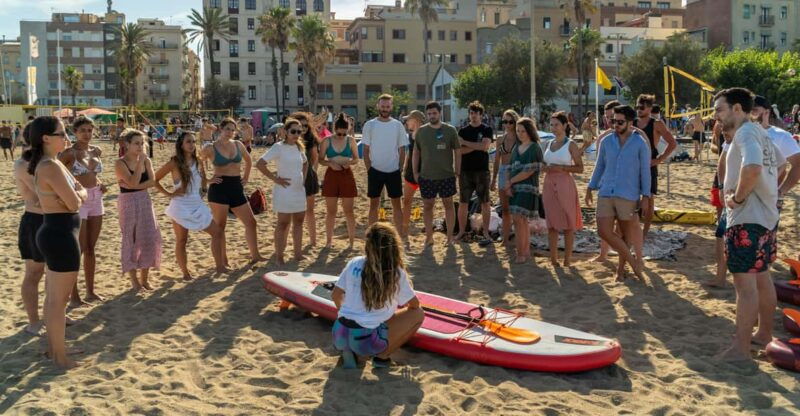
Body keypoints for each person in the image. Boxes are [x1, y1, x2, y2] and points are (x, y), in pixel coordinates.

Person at [714, 87, 785, 362]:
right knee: (762, 277)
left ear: (737, 109)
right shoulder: (762, 133)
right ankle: (764, 334)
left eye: (720, 109)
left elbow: (754, 167)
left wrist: (738, 197)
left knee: (745, 287)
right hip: (766, 217)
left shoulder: (745, 133)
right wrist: (768, 192)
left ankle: (740, 349)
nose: (716, 116)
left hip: (747, 219)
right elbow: (780, 165)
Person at [28, 116, 87, 369]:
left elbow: (77, 190)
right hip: (60, 234)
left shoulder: (52, 163)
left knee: (55, 299)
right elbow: (75, 200)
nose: (66, 137)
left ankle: (55, 349)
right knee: (57, 301)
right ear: (45, 138)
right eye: (61, 133)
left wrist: (77, 193)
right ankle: (60, 357)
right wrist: (79, 194)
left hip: (57, 231)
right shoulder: (50, 166)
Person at [331, 222, 424, 369]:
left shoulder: (354, 262)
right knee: (418, 314)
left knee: (364, 322)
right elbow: (414, 305)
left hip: (339, 332)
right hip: (365, 340)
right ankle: (382, 358)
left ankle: (349, 350)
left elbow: (336, 295)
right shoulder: (395, 272)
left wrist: (349, 313)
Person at [586, 105, 650, 281]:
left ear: (630, 123)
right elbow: (600, 166)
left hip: (628, 194)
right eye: (613, 120)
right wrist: (590, 187)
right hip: (606, 191)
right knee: (603, 230)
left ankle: (621, 271)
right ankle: (634, 262)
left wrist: (646, 196)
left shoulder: (639, 143)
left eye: (619, 121)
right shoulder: (607, 141)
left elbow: (645, 171)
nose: (615, 124)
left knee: (624, 234)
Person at [155, 131, 227, 279]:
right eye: (188, 142)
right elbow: (154, 179)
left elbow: (201, 181)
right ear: (181, 144)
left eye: (194, 142)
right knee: (182, 240)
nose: (192, 145)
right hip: (180, 205)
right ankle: (185, 273)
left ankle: (220, 267)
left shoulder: (199, 161)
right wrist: (169, 194)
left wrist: (209, 182)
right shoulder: (174, 162)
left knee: (217, 232)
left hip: (197, 203)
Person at [200, 117, 264, 265]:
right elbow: (198, 162)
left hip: (236, 186)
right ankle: (223, 260)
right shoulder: (210, 147)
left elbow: (249, 161)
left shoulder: (238, 144)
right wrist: (207, 180)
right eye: (227, 128)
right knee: (220, 227)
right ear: (220, 129)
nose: (230, 132)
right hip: (219, 188)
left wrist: (246, 178)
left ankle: (255, 256)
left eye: (232, 129)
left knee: (251, 222)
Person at [58, 117, 106, 304]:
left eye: (89, 130)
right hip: (79, 201)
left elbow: (93, 176)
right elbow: (57, 175)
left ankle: (90, 292)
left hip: (96, 199)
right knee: (77, 250)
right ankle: (74, 295)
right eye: (83, 130)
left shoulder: (97, 150)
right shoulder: (69, 154)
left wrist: (101, 184)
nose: (87, 134)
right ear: (75, 132)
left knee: (91, 249)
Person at [256, 117, 308, 265]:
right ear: (285, 131)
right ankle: (279, 256)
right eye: (293, 131)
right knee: (283, 224)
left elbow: (305, 163)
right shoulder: (278, 147)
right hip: (284, 190)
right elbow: (260, 164)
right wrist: (274, 178)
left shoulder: (299, 147)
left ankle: (298, 254)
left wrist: (303, 178)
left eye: (299, 131)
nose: (296, 134)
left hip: (298, 189)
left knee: (299, 222)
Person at [116, 129, 162, 291]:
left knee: (149, 236)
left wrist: (137, 186)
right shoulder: (120, 163)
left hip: (144, 200)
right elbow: (133, 182)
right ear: (127, 145)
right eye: (136, 143)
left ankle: (145, 279)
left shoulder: (146, 160)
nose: (140, 146)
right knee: (131, 238)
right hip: (127, 202)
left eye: (142, 143)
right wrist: (140, 165)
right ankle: (134, 280)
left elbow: (152, 181)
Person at [14, 123, 46, 335]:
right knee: (34, 273)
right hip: (36, 221)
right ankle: (33, 321)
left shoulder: (51, 162)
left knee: (56, 274)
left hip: (56, 220)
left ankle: (55, 314)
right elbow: (42, 197)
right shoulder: (23, 164)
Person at [413, 101, 460, 247]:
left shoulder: (450, 130)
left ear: (440, 113)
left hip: (446, 175)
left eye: (434, 113)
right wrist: (415, 172)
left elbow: (457, 151)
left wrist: (457, 170)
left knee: (448, 205)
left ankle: (450, 237)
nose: (432, 116)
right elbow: (416, 152)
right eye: (429, 114)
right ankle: (429, 237)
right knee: (428, 206)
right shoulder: (421, 131)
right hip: (427, 176)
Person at [542, 112, 584, 267]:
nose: (553, 128)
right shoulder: (548, 143)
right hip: (548, 183)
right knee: (551, 223)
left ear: (565, 125)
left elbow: (580, 168)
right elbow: (543, 162)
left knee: (568, 222)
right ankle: (553, 259)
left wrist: (562, 168)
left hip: (565, 183)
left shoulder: (570, 144)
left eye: (556, 124)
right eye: (551, 125)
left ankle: (567, 259)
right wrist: (543, 168)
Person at [362, 94, 408, 230]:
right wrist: (369, 168)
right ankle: (372, 235)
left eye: (387, 106)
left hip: (393, 171)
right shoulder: (370, 125)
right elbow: (365, 149)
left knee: (396, 205)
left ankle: (399, 235)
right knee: (373, 205)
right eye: (382, 106)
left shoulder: (398, 125)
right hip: (375, 170)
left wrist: (400, 167)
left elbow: (402, 149)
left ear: (391, 107)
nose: (385, 109)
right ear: (378, 106)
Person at [635, 94, 677, 239]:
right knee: (633, 197)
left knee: (649, 198)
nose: (639, 110)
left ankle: (645, 232)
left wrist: (659, 159)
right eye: (637, 107)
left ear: (650, 108)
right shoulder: (632, 122)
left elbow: (672, 143)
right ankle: (633, 228)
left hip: (649, 164)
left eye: (642, 107)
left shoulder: (656, 123)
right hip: (633, 165)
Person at [504, 117, 543, 264]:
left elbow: (528, 171)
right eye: (518, 131)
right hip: (514, 189)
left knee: (520, 219)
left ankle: (521, 253)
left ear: (530, 131)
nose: (520, 134)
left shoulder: (534, 148)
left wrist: (510, 182)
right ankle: (524, 252)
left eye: (523, 131)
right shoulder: (516, 148)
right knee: (520, 221)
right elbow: (510, 167)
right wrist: (508, 184)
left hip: (527, 189)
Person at [455, 101, 494, 245]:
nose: (473, 116)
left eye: (476, 113)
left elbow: (485, 146)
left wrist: (466, 143)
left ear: (481, 115)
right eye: (471, 113)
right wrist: (477, 146)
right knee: (463, 202)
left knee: (485, 202)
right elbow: (460, 151)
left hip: (482, 171)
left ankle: (485, 232)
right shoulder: (462, 130)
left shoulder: (486, 129)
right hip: (465, 170)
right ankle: (461, 231)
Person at [319, 113, 359, 249]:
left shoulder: (351, 140)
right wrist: (330, 164)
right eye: (339, 134)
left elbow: (356, 159)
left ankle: (352, 241)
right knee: (331, 211)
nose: (341, 136)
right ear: (335, 129)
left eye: (344, 134)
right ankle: (329, 241)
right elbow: (320, 159)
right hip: (332, 174)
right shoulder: (327, 140)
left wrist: (350, 163)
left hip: (346, 173)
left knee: (349, 210)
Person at [752, 96, 800, 198]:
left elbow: (798, 165)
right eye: (747, 110)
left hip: (766, 198)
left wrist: (780, 192)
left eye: (755, 109)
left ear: (766, 112)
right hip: (738, 197)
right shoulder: (739, 133)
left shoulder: (781, 136)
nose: (751, 114)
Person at [705, 123, 733, 288]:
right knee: (720, 234)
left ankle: (722, 277)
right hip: (726, 190)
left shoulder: (751, 138)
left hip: (742, 199)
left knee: (726, 236)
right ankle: (720, 277)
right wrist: (721, 187)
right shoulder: (727, 136)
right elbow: (720, 158)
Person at [291, 112, 321, 247]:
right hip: (292, 177)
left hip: (308, 177)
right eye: (300, 125)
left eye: (305, 126)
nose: (303, 128)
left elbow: (315, 160)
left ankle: (313, 240)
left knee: (309, 210)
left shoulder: (311, 141)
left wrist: (312, 173)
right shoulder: (289, 141)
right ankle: (295, 241)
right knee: (293, 211)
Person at [491, 109, 519, 246]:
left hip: (516, 172)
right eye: (505, 121)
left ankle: (519, 237)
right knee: (505, 208)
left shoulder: (520, 138)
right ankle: (506, 238)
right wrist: (493, 180)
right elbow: (497, 160)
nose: (507, 124)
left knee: (517, 208)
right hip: (503, 172)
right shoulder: (500, 139)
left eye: (510, 122)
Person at [400, 110, 426, 244]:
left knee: (428, 203)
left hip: (425, 173)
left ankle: (428, 232)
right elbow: (409, 152)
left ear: (415, 120)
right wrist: (404, 167)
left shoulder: (427, 134)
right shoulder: (410, 135)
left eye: (408, 120)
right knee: (406, 202)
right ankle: (404, 230)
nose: (406, 122)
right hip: (410, 173)